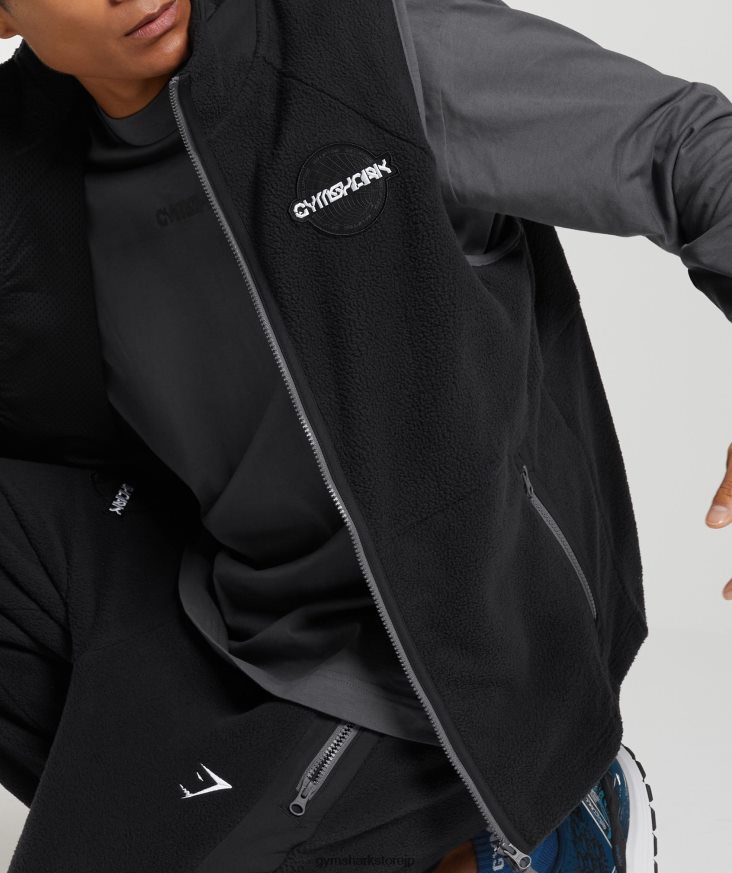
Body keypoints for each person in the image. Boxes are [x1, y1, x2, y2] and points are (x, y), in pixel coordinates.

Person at [0, 0, 730, 870]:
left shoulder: (367, 46)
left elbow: (686, 146)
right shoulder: (27, 155)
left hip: (442, 657)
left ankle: (523, 815)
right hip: (230, 602)